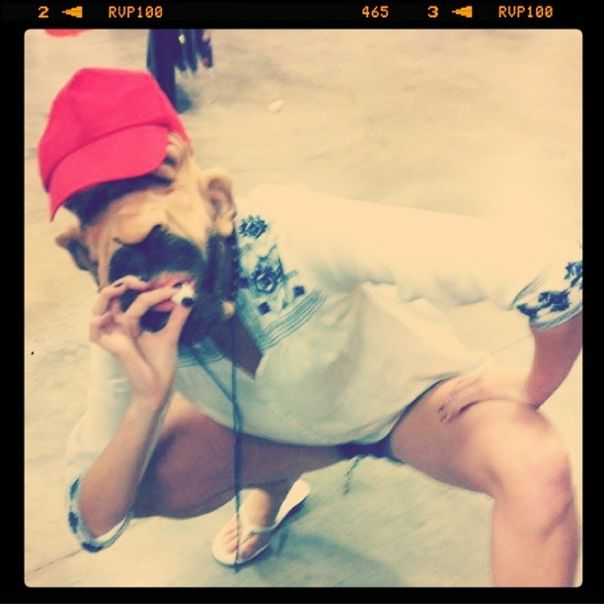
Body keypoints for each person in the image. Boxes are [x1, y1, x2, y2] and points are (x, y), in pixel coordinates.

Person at [37, 67, 583, 586]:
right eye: (97, 207)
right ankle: (276, 480)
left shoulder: (295, 231)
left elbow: (556, 272)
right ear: (81, 250)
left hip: (411, 408)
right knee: (146, 473)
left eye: (155, 182)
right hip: (283, 435)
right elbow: (93, 519)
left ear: (215, 197)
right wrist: (147, 401)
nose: (134, 228)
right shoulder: (126, 320)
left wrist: (532, 385)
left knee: (533, 467)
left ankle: (278, 477)